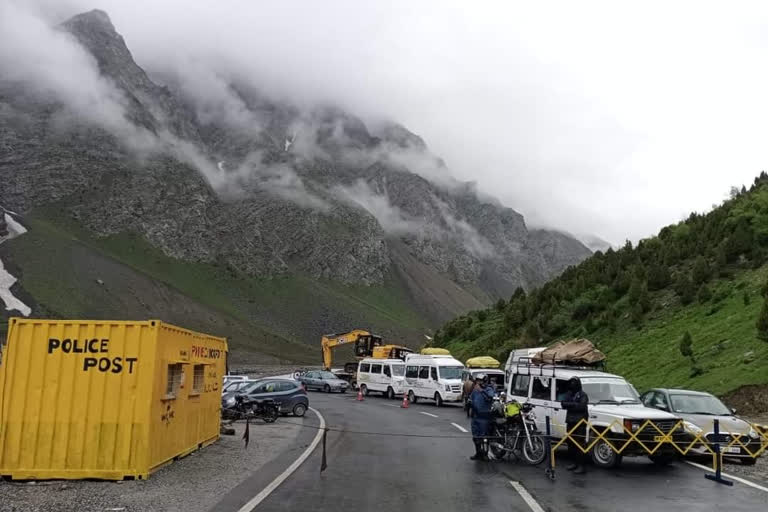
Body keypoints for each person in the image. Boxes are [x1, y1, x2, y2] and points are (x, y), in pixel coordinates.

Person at [561, 377, 589, 474]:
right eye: (571, 383)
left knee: (580, 444)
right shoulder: (569, 394)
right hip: (570, 421)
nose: (572, 385)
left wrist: (571, 405)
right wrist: (573, 404)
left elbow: (582, 406)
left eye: (574, 383)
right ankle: (574, 463)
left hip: (580, 423)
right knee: (571, 443)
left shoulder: (583, 395)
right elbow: (563, 404)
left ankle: (582, 465)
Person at [469, 373, 496, 460]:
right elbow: (472, 399)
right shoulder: (475, 390)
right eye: (477, 381)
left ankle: (485, 454)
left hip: (484, 416)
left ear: (484, 381)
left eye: (480, 381)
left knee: (484, 436)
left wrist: (481, 390)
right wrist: (469, 403)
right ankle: (478, 453)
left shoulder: (489, 389)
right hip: (475, 416)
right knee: (475, 436)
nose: (478, 383)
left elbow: (490, 397)